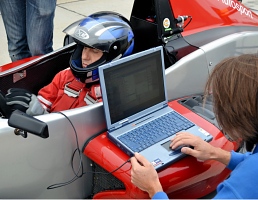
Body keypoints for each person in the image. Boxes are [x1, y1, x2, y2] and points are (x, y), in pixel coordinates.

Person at [130, 53, 258, 199]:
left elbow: (252, 172)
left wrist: (153, 188)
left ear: (238, 114)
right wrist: (214, 153)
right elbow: (252, 163)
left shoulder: (245, 182)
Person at [0, 11, 134, 118]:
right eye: (84, 48)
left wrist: (41, 116)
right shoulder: (65, 76)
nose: (84, 57)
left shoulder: (110, 98)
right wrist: (32, 110)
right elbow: (44, 101)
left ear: (112, 56)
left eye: (94, 50)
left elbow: (80, 136)